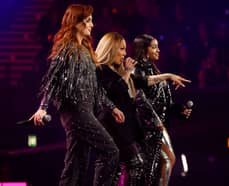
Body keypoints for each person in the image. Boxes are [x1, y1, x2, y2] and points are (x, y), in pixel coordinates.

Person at [29, 4, 125, 186]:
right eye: (88, 21)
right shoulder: (67, 49)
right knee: (111, 151)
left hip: (85, 110)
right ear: (76, 23)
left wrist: (112, 108)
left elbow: (94, 86)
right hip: (76, 112)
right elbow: (53, 79)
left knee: (76, 166)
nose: (92, 24)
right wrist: (42, 108)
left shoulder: (86, 50)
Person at [95, 32, 190, 186]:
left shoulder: (119, 69)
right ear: (111, 49)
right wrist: (126, 73)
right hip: (115, 126)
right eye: (121, 49)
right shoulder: (101, 70)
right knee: (131, 164)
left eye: (125, 49)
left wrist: (168, 76)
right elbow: (117, 91)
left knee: (131, 166)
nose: (125, 53)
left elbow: (144, 82)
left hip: (129, 126)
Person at [132, 34, 192, 186]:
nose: (158, 50)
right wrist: (168, 76)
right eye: (154, 47)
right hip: (146, 127)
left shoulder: (156, 71)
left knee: (157, 166)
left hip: (160, 126)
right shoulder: (135, 70)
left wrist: (180, 110)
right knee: (166, 159)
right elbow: (141, 85)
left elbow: (167, 104)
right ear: (144, 50)